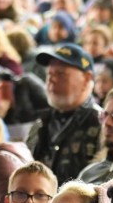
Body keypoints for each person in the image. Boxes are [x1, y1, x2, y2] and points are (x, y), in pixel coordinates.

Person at [25, 43, 103, 184]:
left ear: (86, 78)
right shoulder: (40, 124)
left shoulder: (102, 124)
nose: (51, 80)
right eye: (49, 74)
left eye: (61, 74)